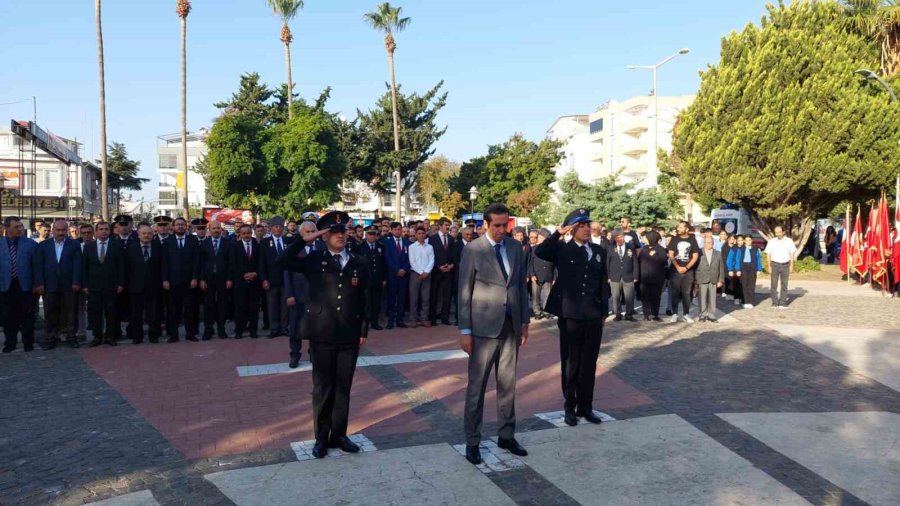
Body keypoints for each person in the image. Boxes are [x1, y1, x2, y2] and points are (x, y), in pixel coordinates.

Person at [276, 211, 369, 458]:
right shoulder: (314, 259)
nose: (341, 235)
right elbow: (281, 262)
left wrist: (363, 330)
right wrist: (303, 240)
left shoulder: (358, 260)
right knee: (322, 387)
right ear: (324, 235)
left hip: (349, 334)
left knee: (343, 387)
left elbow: (365, 299)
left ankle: (339, 435)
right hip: (321, 332)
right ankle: (321, 437)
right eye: (334, 231)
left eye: (343, 231)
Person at [457, 203, 530, 466]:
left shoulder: (514, 247)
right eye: (496, 226)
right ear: (486, 225)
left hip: (511, 326)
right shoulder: (472, 250)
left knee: (507, 384)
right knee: (477, 387)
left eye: (504, 225)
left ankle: (506, 435)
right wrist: (465, 331)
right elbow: (464, 292)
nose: (501, 230)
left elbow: (520, 286)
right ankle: (472, 441)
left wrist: (525, 322)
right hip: (482, 329)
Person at [534, 208, 607, 427]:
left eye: (588, 225)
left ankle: (586, 407)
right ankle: (570, 407)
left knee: (589, 363)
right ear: (573, 228)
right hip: (570, 314)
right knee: (571, 361)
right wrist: (558, 233)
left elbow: (602, 282)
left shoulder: (598, 250)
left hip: (593, 314)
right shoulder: (562, 249)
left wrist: (604, 311)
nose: (587, 229)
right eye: (582, 225)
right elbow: (540, 251)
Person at [34, 219, 83, 350]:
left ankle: (71, 336)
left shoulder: (74, 245)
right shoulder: (44, 245)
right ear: (53, 230)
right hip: (49, 285)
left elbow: (78, 265)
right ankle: (50, 337)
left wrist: (76, 281)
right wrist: (39, 283)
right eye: (58, 230)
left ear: (67, 230)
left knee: (70, 312)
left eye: (63, 230)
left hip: (69, 285)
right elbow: (38, 266)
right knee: (50, 313)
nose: (60, 233)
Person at [83, 221, 125, 347]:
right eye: (100, 229)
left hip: (111, 285)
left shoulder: (117, 246)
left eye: (106, 229)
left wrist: (121, 283)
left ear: (109, 231)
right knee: (95, 312)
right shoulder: (88, 247)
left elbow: (121, 267)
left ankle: (110, 336)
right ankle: (97, 336)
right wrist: (85, 285)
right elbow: (84, 268)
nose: (103, 231)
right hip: (93, 285)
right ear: (96, 232)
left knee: (111, 312)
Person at [1, 217, 39, 353]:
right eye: (16, 227)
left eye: (20, 226)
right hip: (5, 286)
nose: (20, 229)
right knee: (7, 316)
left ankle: (28, 342)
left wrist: (37, 284)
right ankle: (10, 342)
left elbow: (36, 266)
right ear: (7, 228)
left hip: (25, 285)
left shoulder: (30, 244)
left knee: (27, 315)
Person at [284, 221, 319, 367]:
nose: (311, 235)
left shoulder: (322, 248)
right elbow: (287, 273)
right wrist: (289, 294)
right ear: (301, 233)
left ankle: (314, 353)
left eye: (313, 232)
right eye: (307, 232)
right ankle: (295, 354)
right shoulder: (293, 249)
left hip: (317, 296)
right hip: (298, 294)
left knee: (317, 327)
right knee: (295, 327)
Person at [161, 218, 201, 342]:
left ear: (186, 226)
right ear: (173, 227)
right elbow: (164, 263)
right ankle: (174, 335)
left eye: (182, 225)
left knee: (189, 309)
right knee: (173, 311)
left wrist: (195, 277)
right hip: (172, 282)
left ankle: (190, 333)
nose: (180, 227)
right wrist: (165, 279)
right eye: (178, 225)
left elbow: (196, 261)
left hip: (189, 282)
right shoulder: (167, 242)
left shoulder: (193, 240)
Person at [125, 223, 163, 343]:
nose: (146, 235)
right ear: (138, 235)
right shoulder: (131, 249)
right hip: (136, 286)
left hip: (154, 286)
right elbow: (127, 268)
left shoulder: (158, 248)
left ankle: (153, 335)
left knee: (153, 312)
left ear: (153, 235)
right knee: (136, 313)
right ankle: (137, 336)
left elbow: (162, 267)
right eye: (144, 233)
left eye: (149, 233)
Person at [260, 216, 293, 338]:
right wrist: (264, 279)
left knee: (285, 305)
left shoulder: (288, 241)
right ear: (271, 228)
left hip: (285, 279)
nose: (278, 229)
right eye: (276, 227)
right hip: (271, 279)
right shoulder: (264, 242)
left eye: (280, 227)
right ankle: (274, 328)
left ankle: (284, 328)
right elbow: (261, 262)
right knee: (272, 305)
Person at [229, 224, 262, 339]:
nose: (246, 235)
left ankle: (253, 330)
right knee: (240, 307)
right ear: (240, 234)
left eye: (248, 233)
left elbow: (261, 262)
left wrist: (255, 273)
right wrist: (244, 274)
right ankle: (239, 330)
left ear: (251, 232)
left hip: (255, 281)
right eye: (244, 233)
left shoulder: (257, 245)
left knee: (254, 307)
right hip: (240, 282)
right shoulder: (235, 246)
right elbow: (233, 264)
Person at [199, 220, 231, 340]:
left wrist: (229, 279)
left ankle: (221, 329)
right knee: (208, 305)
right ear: (209, 230)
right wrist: (201, 279)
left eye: (218, 228)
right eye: (214, 228)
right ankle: (208, 329)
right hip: (208, 279)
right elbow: (201, 263)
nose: (216, 230)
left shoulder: (227, 243)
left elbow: (231, 263)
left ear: (221, 230)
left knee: (222, 305)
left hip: (223, 279)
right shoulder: (204, 244)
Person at [667, 221, 699, 323]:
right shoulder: (674, 239)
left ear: (687, 229)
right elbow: (671, 254)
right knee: (675, 292)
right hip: (675, 271)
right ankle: (675, 313)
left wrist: (686, 267)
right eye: (678, 227)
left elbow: (695, 256)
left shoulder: (693, 240)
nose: (678, 229)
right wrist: (677, 266)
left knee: (686, 293)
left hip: (688, 272)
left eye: (681, 227)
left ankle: (686, 314)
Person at [356, 225, 386, 331]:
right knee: (366, 303)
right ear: (366, 235)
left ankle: (375, 322)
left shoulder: (380, 246)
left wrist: (384, 278)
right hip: (365, 279)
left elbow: (383, 264)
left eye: (374, 234)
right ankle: (365, 323)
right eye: (370, 234)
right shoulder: (360, 247)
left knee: (376, 302)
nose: (372, 237)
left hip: (377, 279)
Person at [607, 228, 639, 321]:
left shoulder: (630, 247)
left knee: (629, 297)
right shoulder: (611, 247)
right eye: (617, 237)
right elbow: (607, 263)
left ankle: (629, 314)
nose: (619, 239)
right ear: (614, 238)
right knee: (616, 297)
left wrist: (635, 275)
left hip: (628, 276)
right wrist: (608, 276)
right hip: (614, 276)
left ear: (624, 237)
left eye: (621, 236)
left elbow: (635, 262)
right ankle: (618, 314)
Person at [428, 218, 455, 325]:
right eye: (445, 225)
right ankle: (433, 318)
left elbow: (453, 254)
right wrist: (438, 266)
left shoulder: (451, 239)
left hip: (448, 271)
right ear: (440, 226)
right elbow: (430, 255)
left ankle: (445, 317)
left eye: (448, 225)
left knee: (447, 295)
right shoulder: (432, 239)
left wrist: (451, 265)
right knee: (434, 294)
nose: (447, 227)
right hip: (436, 271)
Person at [383, 222, 410, 329]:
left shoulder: (406, 242)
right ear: (391, 230)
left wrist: (404, 269)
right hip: (393, 275)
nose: (398, 231)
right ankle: (390, 321)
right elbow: (387, 258)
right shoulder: (387, 242)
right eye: (395, 230)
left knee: (402, 298)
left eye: (399, 229)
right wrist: (396, 269)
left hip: (404, 274)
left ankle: (400, 320)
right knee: (392, 298)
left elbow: (409, 258)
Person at [637, 231, 667, 321]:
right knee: (645, 296)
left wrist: (654, 257)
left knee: (656, 296)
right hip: (644, 277)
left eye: (646, 237)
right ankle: (646, 314)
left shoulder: (660, 249)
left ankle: (655, 314)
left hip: (657, 277)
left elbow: (664, 261)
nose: (644, 239)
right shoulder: (644, 248)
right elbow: (639, 260)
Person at [765, 225, 797, 309]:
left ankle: (783, 302)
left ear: (783, 232)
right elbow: (768, 254)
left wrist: (791, 266)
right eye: (776, 232)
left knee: (784, 284)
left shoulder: (789, 241)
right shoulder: (771, 241)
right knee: (773, 285)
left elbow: (792, 254)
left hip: (786, 265)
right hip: (774, 264)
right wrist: (769, 266)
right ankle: (775, 302)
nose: (777, 234)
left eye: (779, 232)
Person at [408, 227, 434, 327]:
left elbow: (432, 260)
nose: (421, 235)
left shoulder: (430, 247)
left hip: (427, 274)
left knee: (426, 298)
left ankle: (424, 318)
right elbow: (412, 261)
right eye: (419, 233)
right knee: (414, 298)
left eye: (423, 233)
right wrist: (420, 272)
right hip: (415, 274)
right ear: (415, 235)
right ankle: (413, 319)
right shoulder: (412, 247)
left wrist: (426, 272)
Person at [696, 235, 725, 322]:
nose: (709, 244)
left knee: (712, 297)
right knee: (702, 297)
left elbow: (721, 267)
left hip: (714, 278)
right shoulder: (699, 252)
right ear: (704, 243)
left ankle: (711, 315)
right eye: (707, 242)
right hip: (702, 277)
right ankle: (702, 314)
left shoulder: (718, 253)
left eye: (711, 243)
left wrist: (720, 280)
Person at [729, 235, 763, 309]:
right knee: (744, 285)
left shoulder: (755, 249)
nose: (748, 241)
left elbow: (758, 259)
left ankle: (751, 301)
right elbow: (738, 259)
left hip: (752, 268)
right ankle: (745, 301)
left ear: (752, 240)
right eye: (746, 240)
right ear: (744, 241)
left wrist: (759, 269)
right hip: (743, 268)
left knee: (751, 285)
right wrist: (737, 269)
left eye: (749, 240)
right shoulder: (741, 249)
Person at [529, 229, 555, 319]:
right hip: (536, 276)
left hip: (548, 275)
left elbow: (555, 264)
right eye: (539, 237)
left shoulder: (551, 250)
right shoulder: (534, 249)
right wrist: (532, 274)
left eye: (541, 237)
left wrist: (554, 277)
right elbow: (530, 262)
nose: (539, 239)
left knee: (547, 295)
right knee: (535, 295)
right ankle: (537, 312)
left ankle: (546, 311)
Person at [727, 235, 745, 306]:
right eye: (738, 240)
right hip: (735, 269)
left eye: (741, 240)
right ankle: (736, 298)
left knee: (743, 284)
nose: (740, 242)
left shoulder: (745, 248)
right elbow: (729, 259)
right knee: (736, 284)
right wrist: (730, 269)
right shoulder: (733, 248)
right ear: (736, 241)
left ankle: (742, 297)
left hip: (744, 269)